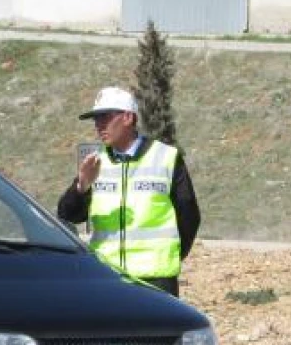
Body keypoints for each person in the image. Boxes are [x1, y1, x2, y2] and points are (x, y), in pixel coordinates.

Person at [57, 87, 200, 296]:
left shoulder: (166, 157)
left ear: (127, 118)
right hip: (107, 277)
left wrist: (172, 256)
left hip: (156, 280)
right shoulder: (97, 162)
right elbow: (67, 214)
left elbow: (189, 215)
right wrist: (82, 187)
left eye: (105, 117)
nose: (98, 125)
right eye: (95, 120)